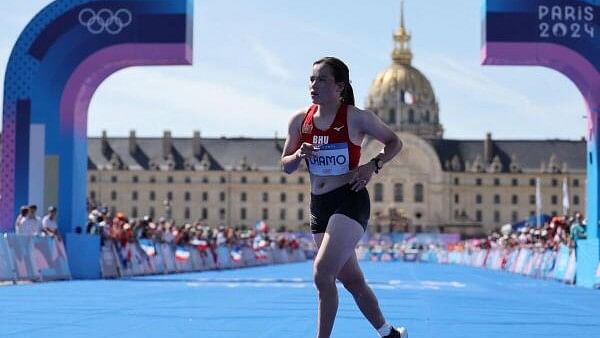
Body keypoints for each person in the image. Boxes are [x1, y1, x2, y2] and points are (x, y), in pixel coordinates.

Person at [281, 57, 406, 338]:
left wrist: (372, 165)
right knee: (352, 281)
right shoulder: (299, 121)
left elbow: (395, 142)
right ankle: (389, 333)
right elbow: (285, 165)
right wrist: (298, 155)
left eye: (322, 79)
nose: (314, 85)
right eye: (312, 79)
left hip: (349, 199)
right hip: (319, 206)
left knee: (322, 273)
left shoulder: (356, 117)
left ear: (340, 87)